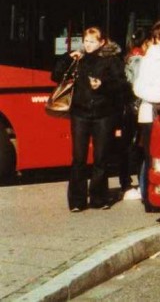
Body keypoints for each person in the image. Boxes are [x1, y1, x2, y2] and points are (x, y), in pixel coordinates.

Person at [52, 26, 126, 211]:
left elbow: (122, 86)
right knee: (78, 158)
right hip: (80, 113)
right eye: (86, 41)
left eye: (92, 41)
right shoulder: (79, 59)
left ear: (102, 42)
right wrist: (68, 57)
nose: (88, 45)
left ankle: (98, 198)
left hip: (103, 115)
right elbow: (55, 75)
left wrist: (103, 84)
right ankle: (77, 201)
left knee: (101, 158)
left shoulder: (111, 61)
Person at [133, 21, 160, 211]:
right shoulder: (151, 58)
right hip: (151, 112)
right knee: (150, 155)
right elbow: (138, 87)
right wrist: (159, 98)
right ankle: (149, 198)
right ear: (158, 38)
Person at [117, 29, 147, 201]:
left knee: (127, 145)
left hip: (127, 108)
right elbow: (137, 86)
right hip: (136, 107)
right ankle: (133, 183)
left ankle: (125, 183)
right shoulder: (140, 60)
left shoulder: (127, 58)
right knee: (137, 147)